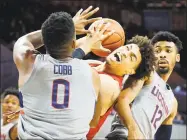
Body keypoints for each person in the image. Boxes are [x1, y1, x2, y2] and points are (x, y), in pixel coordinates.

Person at [13, 7, 113, 139]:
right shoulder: (91, 74)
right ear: (73, 44)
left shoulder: (28, 63)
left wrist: (75, 32)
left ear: (45, 40)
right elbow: (93, 122)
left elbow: (24, 40)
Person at [107, 31, 183, 140]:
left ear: (177, 57)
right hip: (123, 134)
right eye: (157, 50)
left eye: (168, 51)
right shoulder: (146, 72)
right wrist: (133, 130)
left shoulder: (173, 103)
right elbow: (120, 102)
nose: (162, 54)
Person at [86, 35, 155, 139]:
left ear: (130, 71)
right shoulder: (95, 64)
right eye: (127, 48)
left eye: (131, 57)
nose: (125, 53)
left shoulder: (110, 85)